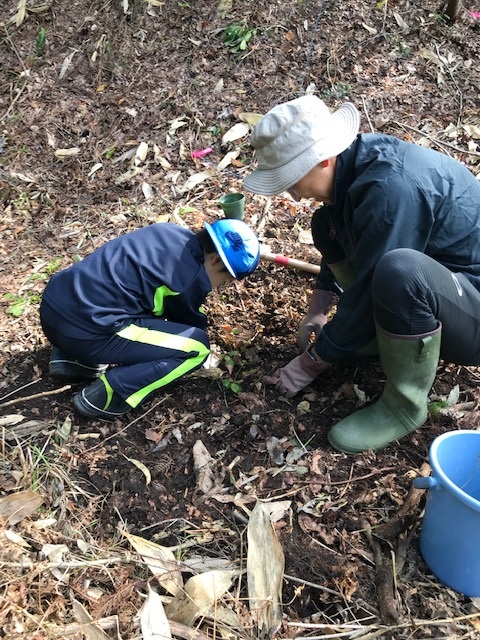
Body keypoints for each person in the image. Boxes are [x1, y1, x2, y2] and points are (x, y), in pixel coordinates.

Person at [244, 94, 480, 454]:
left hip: (472, 307)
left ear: (323, 159)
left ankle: (404, 406)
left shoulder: (391, 189)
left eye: (290, 179)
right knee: (325, 224)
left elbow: (377, 280)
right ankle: (375, 336)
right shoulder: (353, 173)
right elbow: (345, 248)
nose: (289, 193)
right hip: (444, 290)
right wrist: (317, 311)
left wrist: (311, 362)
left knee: (401, 271)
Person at [40, 219, 260, 420]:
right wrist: (206, 353)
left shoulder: (167, 231)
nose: (217, 287)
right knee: (197, 347)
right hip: (87, 333)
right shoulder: (190, 278)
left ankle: (71, 361)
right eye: (223, 281)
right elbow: (187, 325)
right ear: (214, 260)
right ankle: (108, 395)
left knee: (132, 305)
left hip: (53, 309)